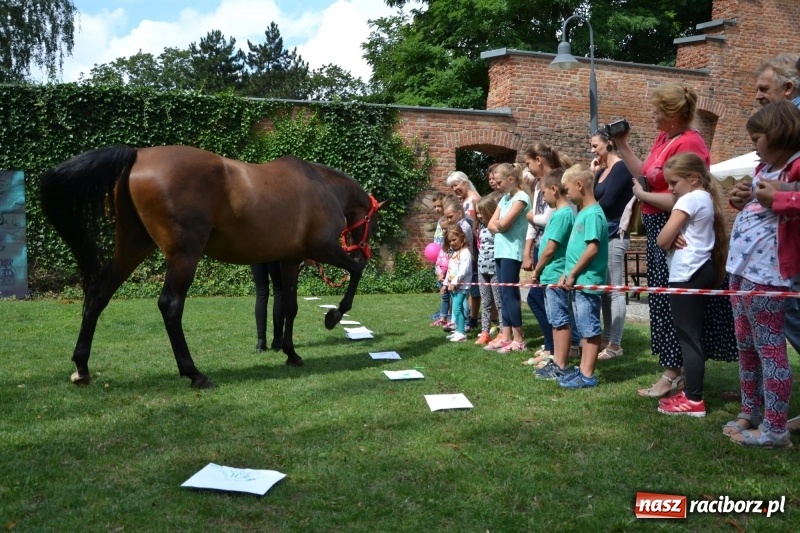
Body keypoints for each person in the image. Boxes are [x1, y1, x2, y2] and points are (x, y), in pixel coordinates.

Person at [613, 82, 711, 398]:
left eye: (657, 111)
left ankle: (675, 374)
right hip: (659, 225)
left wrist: (642, 196)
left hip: (674, 227)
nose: (652, 117)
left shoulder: (690, 143)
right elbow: (646, 174)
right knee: (661, 300)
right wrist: (622, 145)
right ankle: (674, 371)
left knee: (672, 303)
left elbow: (687, 194)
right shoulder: (665, 138)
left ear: (672, 114)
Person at [724, 100, 800, 448]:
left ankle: (775, 430)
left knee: (770, 349)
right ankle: (750, 411)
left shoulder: (796, 166)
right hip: (741, 271)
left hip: (769, 276)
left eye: (757, 138)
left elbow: (783, 203)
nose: (753, 145)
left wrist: (778, 198)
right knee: (746, 346)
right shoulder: (763, 168)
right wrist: (739, 198)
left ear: (779, 133)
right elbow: (757, 206)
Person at [654, 153, 733, 417]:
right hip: (701, 270)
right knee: (692, 336)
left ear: (694, 178)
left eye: (674, 182)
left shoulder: (688, 199)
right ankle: (691, 393)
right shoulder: (705, 198)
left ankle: (694, 399)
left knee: (688, 338)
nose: (670, 188)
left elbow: (662, 240)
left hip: (687, 273)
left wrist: (671, 233)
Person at [521, 142, 579, 362]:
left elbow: (550, 233)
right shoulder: (541, 186)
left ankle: (558, 353)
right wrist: (528, 251)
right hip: (545, 258)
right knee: (552, 311)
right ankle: (553, 349)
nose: (527, 169)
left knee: (557, 313)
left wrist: (530, 216)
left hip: (554, 264)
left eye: (528, 163)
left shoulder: (561, 198)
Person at [556, 165, 608, 389]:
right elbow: (576, 250)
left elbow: (592, 248)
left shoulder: (594, 214)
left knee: (590, 328)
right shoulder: (583, 213)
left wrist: (574, 273)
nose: (566, 194)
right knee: (584, 326)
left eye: (567, 189)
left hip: (588, 280)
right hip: (578, 280)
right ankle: (583, 369)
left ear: (579, 185)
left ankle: (587, 374)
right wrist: (566, 273)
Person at [590, 129, 634, 360]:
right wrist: (593, 174)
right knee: (606, 291)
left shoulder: (620, 168)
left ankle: (615, 344)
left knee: (615, 290)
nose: (592, 150)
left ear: (608, 144)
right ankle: (607, 339)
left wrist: (590, 208)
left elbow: (606, 202)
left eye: (595, 145)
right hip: (602, 234)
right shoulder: (601, 170)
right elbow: (591, 197)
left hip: (616, 234)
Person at [530, 169, 577, 381]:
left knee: (560, 321)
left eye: (543, 192)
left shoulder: (563, 215)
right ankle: (556, 361)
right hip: (550, 275)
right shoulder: (558, 214)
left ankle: (561, 365)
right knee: (555, 321)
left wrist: (537, 269)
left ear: (554, 189)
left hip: (555, 273)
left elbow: (550, 248)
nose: (543, 197)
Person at [484, 163, 531, 353]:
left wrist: (500, 225)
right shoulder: (505, 199)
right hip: (500, 251)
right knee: (503, 294)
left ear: (511, 179)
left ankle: (519, 339)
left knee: (510, 295)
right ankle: (506, 336)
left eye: (500, 182)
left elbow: (504, 223)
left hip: (512, 251)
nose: (497, 185)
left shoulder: (521, 198)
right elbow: (491, 224)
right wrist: (500, 226)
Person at [446, 171, 482, 331]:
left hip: (472, 248)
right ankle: (462, 318)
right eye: (452, 187)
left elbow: (476, 225)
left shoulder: (474, 199)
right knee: (464, 286)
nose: (455, 189)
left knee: (472, 285)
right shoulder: (463, 201)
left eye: (456, 185)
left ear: (465, 182)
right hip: (464, 247)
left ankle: (472, 319)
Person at [473, 193, 502, 345]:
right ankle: (485, 332)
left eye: (481, 212)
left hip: (495, 269)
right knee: (485, 302)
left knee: (499, 302)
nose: (479, 216)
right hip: (482, 269)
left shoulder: (496, 227)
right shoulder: (480, 227)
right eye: (477, 213)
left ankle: (503, 331)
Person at [442, 225, 473, 342]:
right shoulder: (455, 253)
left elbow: (463, 271)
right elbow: (450, 270)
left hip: (461, 286)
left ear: (461, 237)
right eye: (449, 241)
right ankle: (459, 330)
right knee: (456, 309)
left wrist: (455, 282)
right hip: (453, 287)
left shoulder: (465, 253)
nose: (452, 243)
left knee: (456, 308)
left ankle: (461, 332)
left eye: (454, 240)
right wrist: (445, 284)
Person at [251, 261, 284, 352]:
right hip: (274, 255)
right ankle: (278, 339)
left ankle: (261, 341)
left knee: (261, 293)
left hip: (256, 255)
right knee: (279, 290)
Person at [429, 192, 451, 324]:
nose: (437, 209)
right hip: (438, 259)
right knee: (441, 286)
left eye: (439, 206)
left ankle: (447, 314)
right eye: (435, 207)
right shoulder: (440, 221)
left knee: (446, 288)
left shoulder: (448, 221)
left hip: (446, 260)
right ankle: (443, 312)